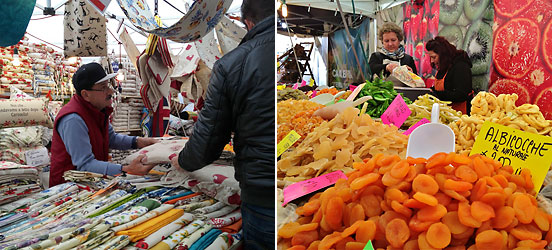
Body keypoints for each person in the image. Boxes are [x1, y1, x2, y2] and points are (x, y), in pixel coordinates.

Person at [170, 0, 274, 249]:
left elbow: (210, 136)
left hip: (261, 191)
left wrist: (182, 161)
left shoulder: (233, 63)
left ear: (246, 22)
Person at [50, 62, 158, 187]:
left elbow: (111, 138)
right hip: (68, 188)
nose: (110, 91)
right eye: (103, 88)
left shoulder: (96, 110)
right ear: (86, 94)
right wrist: (125, 168)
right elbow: (85, 164)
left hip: (90, 182)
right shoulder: (73, 119)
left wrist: (140, 141)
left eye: (108, 86)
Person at [426, 36, 473, 114]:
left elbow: (461, 95)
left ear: (443, 55)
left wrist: (436, 94)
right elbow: (447, 86)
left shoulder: (461, 66)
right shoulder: (444, 66)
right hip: (444, 113)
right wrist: (432, 90)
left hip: (459, 115)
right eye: (430, 57)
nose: (432, 61)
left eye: (434, 57)